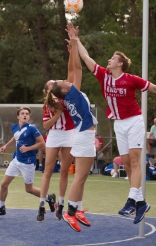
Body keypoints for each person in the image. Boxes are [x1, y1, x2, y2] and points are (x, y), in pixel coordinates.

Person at [67, 22, 156, 225]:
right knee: (126, 163)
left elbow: (155, 88)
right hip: (118, 123)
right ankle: (141, 203)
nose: (109, 59)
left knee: (134, 160)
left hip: (134, 121)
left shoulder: (131, 79)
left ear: (120, 63)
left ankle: (132, 200)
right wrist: (76, 40)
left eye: (113, 58)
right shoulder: (104, 75)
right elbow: (86, 58)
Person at [46, 34, 98, 232]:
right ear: (65, 89)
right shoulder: (73, 94)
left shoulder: (68, 95)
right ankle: (69, 212)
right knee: (80, 177)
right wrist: (75, 45)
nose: (65, 80)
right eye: (63, 82)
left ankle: (77, 210)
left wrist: (72, 51)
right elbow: (76, 69)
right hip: (84, 136)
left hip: (83, 134)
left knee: (82, 177)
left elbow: (71, 68)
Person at [38, 40, 77, 222]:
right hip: (54, 135)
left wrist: (72, 51)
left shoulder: (66, 96)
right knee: (48, 170)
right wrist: (58, 113)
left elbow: (72, 73)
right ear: (48, 90)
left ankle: (61, 204)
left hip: (68, 134)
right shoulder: (48, 104)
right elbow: (46, 126)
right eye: (51, 85)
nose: (54, 86)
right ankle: (41, 205)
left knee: (64, 171)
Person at [0, 107, 45, 218]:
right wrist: (6, 145)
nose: (25, 115)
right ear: (18, 116)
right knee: (4, 184)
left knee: (29, 189)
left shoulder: (32, 129)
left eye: (27, 114)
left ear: (29, 116)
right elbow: (16, 137)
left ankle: (48, 197)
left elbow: (42, 143)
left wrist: (28, 148)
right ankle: (1, 207)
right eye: (22, 113)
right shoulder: (14, 127)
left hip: (28, 162)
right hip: (16, 159)